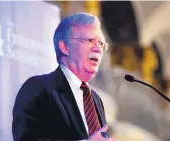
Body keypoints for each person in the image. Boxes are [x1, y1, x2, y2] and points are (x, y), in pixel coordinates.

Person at [12, 12, 116, 141]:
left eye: (101, 44)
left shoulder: (96, 100)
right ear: (65, 47)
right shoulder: (38, 88)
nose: (98, 49)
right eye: (90, 40)